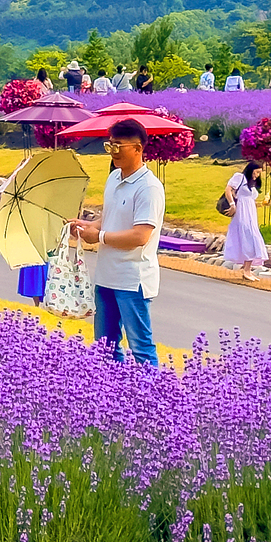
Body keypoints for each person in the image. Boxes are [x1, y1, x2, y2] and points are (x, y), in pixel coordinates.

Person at [70, 119, 163, 366]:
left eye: (118, 146)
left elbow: (140, 236)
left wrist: (98, 237)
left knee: (140, 346)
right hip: (106, 276)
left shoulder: (149, 188)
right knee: (105, 347)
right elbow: (110, 215)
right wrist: (89, 226)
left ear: (138, 148)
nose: (113, 153)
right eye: (109, 146)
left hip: (132, 279)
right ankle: (112, 398)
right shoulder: (114, 179)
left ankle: (151, 397)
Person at [221, 162, 265, 276]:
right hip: (241, 213)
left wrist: (262, 204)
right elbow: (228, 189)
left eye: (259, 173)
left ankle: (247, 269)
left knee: (252, 236)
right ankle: (246, 269)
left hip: (251, 214)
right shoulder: (240, 177)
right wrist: (232, 204)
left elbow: (250, 201)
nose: (257, 175)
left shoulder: (251, 184)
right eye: (256, 172)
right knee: (248, 236)